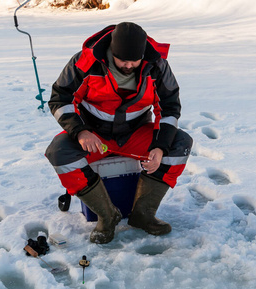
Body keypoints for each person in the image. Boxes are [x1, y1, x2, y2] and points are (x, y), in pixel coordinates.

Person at [45, 22, 193, 244]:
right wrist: (81, 131)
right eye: (122, 59)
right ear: (111, 51)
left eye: (134, 60)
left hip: (135, 133)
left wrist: (160, 147)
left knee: (180, 143)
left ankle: (143, 215)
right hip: (94, 137)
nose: (129, 65)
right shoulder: (85, 62)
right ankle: (107, 216)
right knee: (59, 152)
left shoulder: (158, 65)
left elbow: (170, 107)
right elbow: (60, 98)